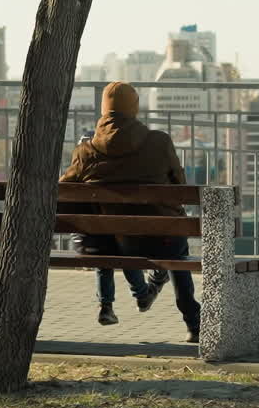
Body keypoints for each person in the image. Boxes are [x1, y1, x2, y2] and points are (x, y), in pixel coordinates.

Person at [60, 81, 201, 342]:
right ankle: (194, 324)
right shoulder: (159, 142)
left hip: (118, 244)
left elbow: (64, 194)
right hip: (164, 240)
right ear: (134, 108)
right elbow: (180, 186)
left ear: (104, 109)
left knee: (116, 233)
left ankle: (127, 297)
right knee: (178, 256)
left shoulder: (85, 152)